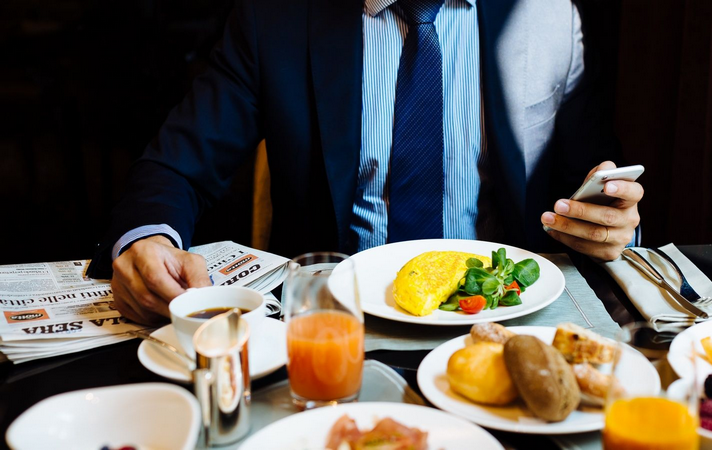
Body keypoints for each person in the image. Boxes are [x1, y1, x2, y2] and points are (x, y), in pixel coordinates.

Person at [87, 0, 643, 325]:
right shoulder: (274, 18)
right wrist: (145, 240)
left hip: (502, 317)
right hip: (334, 324)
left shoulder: (545, 16)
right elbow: (176, 166)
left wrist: (614, 223)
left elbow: (596, 182)